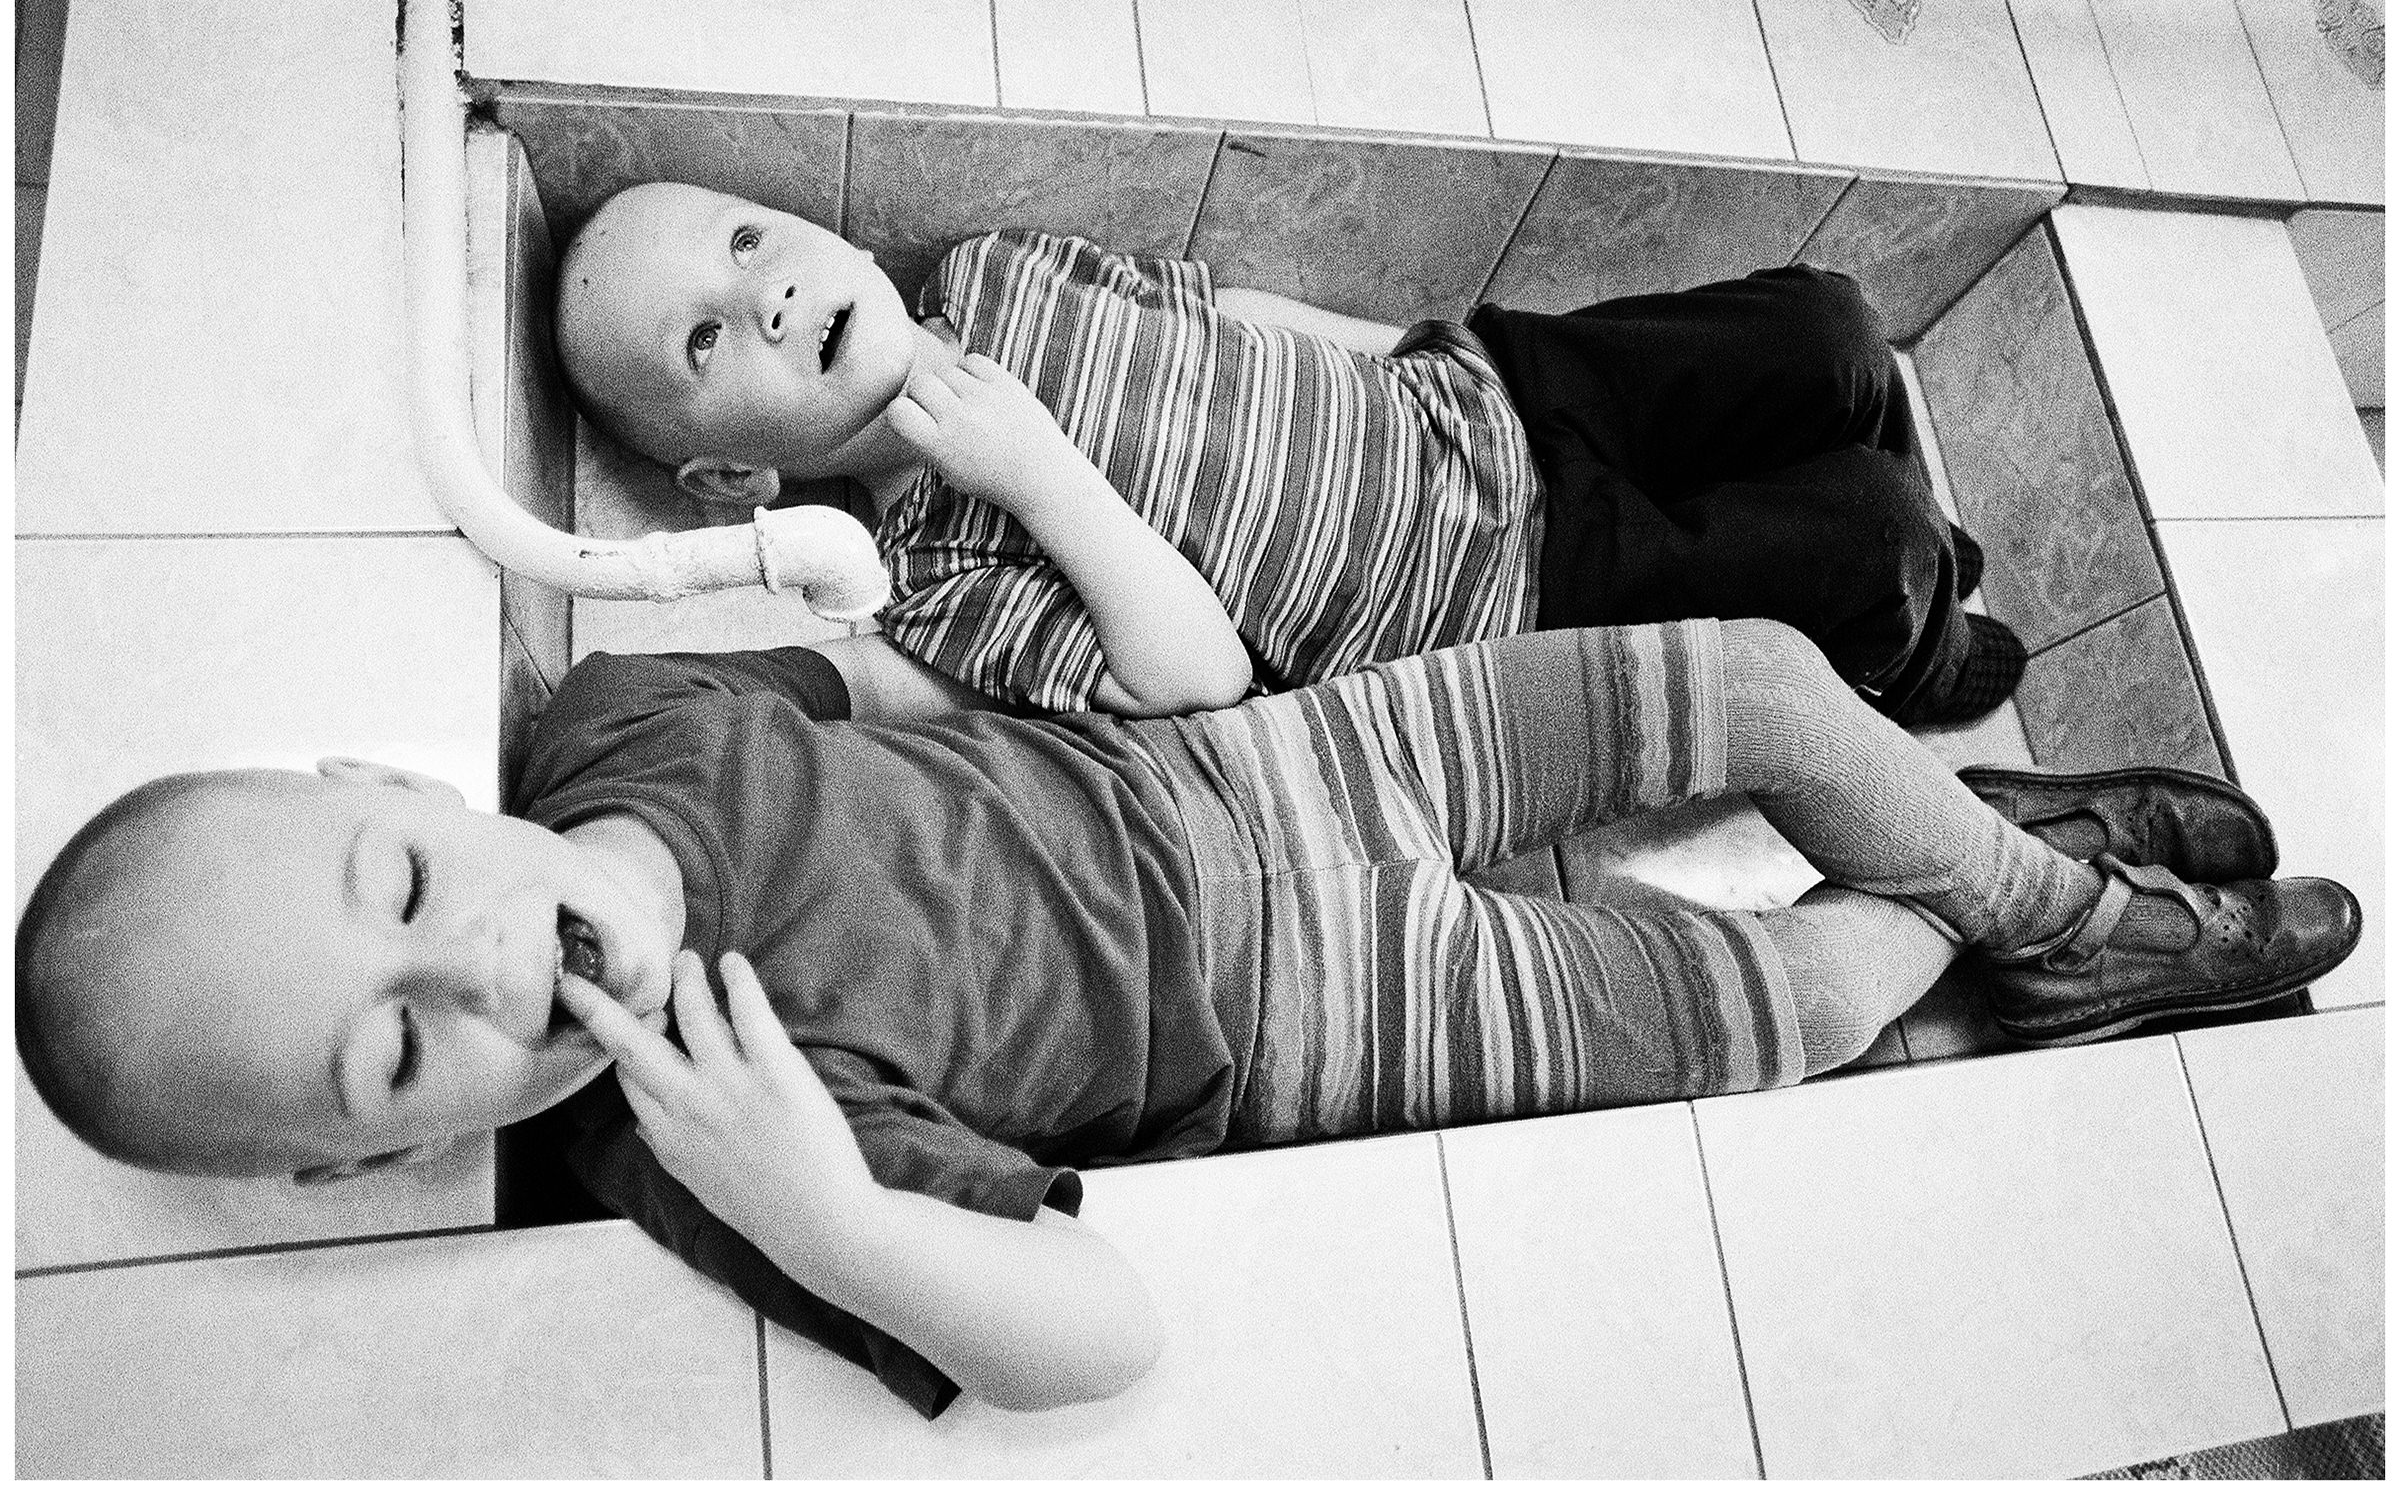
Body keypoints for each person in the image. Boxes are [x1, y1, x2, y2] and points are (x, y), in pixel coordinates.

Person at [16, 617, 2357, 1417]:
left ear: (380, 775)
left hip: (1238, 768)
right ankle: (2002, 889)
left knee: (1747, 686)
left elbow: (884, 685)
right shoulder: (708, 1136)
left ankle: (2031, 871)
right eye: (402, 1052)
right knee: (1801, 988)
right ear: (361, 1165)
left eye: (409, 887)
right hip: (1307, 1010)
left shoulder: (622, 721)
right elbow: (1092, 1331)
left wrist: (1100, 657)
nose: (491, 970)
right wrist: (829, 1218)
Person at [551, 183, 2021, 725]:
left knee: (1835, 328)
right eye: (705, 343)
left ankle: (1884, 539)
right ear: (733, 480)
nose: (763, 293)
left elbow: (1229, 314)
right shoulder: (937, 581)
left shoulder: (998, 270)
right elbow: (1201, 675)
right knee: (1875, 542)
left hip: (1495, 392)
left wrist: (1405, 354)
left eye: (745, 240)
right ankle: (1908, 644)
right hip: (1511, 593)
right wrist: (1038, 477)